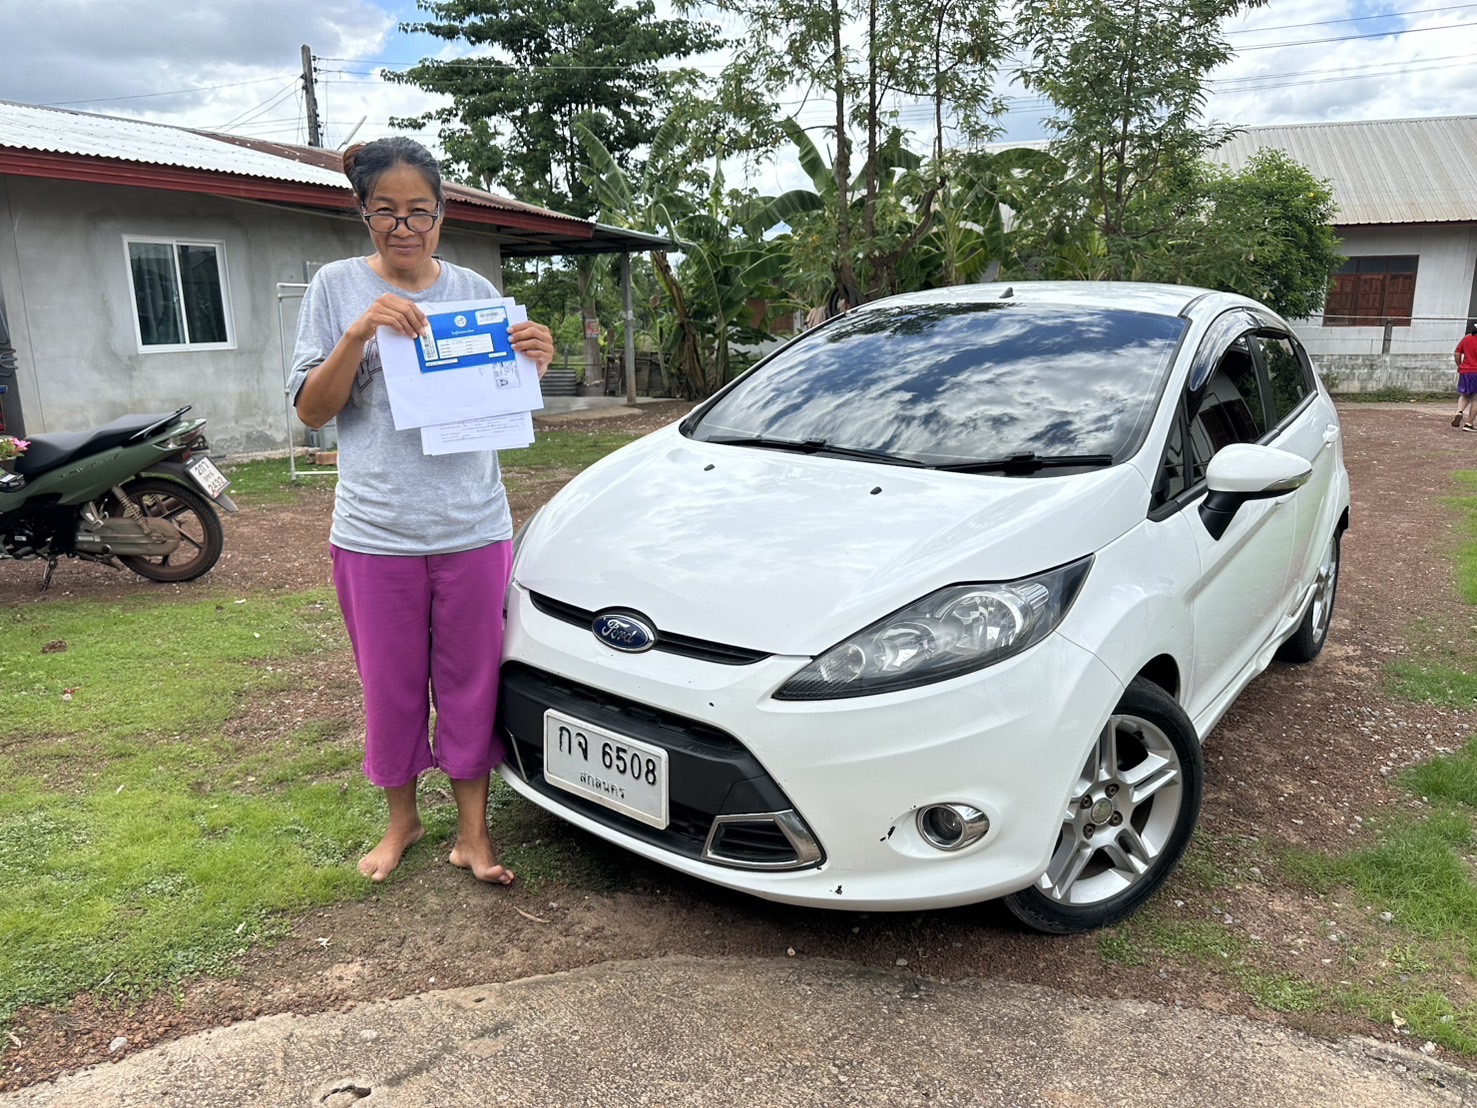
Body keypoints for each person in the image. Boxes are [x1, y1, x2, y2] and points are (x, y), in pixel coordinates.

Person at [288, 137, 554, 885]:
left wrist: (533, 357)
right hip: (375, 533)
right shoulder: (336, 287)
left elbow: (505, 396)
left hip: (473, 527)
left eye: (420, 213)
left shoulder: (473, 290)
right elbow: (312, 411)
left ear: (441, 214)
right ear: (363, 213)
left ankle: (474, 833)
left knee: (473, 684)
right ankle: (401, 820)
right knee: (391, 685)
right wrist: (358, 332)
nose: (404, 228)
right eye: (386, 212)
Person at [1453, 321, 1477, 430]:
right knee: (1476, 399)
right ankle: (1469, 424)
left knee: (1465, 395)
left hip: (1466, 371)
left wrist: (1460, 365)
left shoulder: (1467, 338)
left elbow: (1457, 353)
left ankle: (1459, 411)